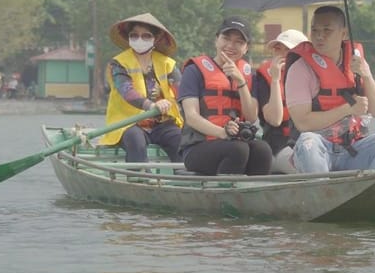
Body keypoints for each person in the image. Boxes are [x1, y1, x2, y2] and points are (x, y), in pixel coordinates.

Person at [285, 5, 375, 173]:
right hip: (319, 150)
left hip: (353, 149)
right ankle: (324, 191)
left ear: (344, 34)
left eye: (327, 30)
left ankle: (367, 192)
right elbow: (303, 123)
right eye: (315, 30)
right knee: (308, 141)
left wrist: (366, 76)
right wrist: (348, 109)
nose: (319, 36)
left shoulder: (356, 63)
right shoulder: (300, 69)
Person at [178, 16, 272, 175]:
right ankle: (223, 196)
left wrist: (241, 82)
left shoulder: (248, 76)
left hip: (235, 143)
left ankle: (252, 196)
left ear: (246, 48)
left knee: (263, 150)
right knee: (237, 149)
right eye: (226, 39)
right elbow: (192, 117)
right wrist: (223, 133)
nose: (231, 46)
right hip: (198, 146)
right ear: (216, 40)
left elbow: (250, 117)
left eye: (239, 42)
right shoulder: (194, 71)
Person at [98, 13, 185, 164]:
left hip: (162, 123)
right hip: (128, 123)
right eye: (134, 35)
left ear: (155, 38)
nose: (140, 40)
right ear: (128, 37)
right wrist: (152, 105)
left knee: (179, 139)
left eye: (146, 36)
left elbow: (182, 92)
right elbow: (127, 92)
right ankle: (139, 179)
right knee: (135, 140)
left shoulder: (167, 63)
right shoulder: (118, 63)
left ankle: (182, 180)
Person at [254, 28, 309, 174]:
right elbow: (274, 119)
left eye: (288, 50)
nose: (282, 54)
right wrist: (275, 80)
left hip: (309, 142)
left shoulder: (311, 76)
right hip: (279, 145)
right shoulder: (264, 78)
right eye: (278, 49)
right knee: (308, 169)